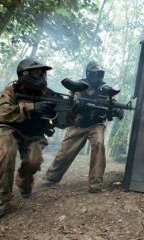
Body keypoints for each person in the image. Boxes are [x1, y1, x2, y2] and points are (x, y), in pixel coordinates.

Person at [42, 61, 123, 193]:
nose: (97, 77)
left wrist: (118, 110)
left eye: (99, 74)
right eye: (94, 74)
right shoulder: (78, 85)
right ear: (89, 74)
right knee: (66, 151)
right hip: (78, 124)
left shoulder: (105, 88)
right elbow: (70, 105)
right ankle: (51, 178)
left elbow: (112, 104)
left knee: (98, 144)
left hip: (96, 124)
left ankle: (95, 183)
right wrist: (76, 107)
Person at [0, 58, 59, 218]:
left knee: (34, 161)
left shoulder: (49, 94)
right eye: (35, 71)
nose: (39, 74)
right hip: (10, 129)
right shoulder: (11, 90)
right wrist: (32, 107)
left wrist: (73, 111)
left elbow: (62, 120)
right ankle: (2, 200)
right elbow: (2, 112)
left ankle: (24, 182)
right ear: (24, 73)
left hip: (33, 133)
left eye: (41, 71)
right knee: (7, 153)